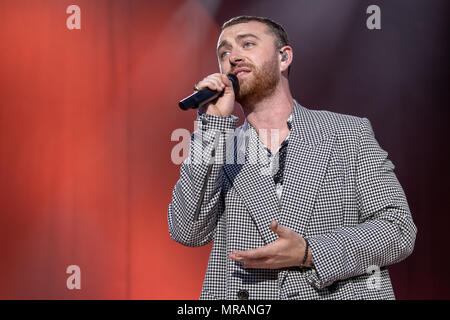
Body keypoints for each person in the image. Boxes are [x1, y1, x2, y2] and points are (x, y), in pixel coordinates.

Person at [167, 15, 417, 300]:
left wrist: (311, 253)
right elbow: (187, 230)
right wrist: (212, 126)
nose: (233, 57)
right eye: (224, 53)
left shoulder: (348, 133)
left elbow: (398, 229)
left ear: (284, 57)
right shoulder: (220, 147)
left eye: (247, 44)